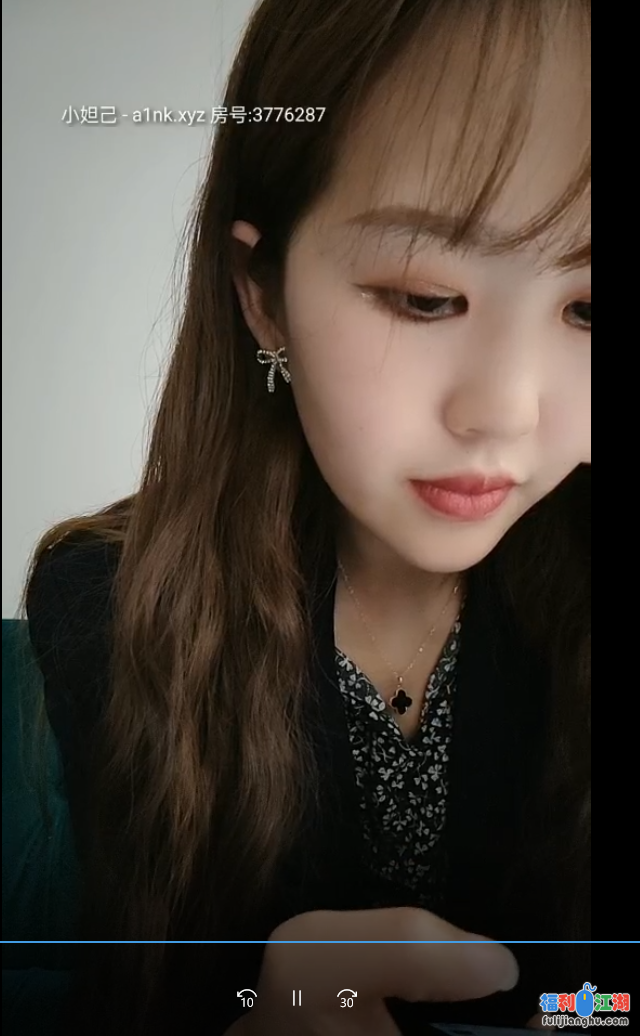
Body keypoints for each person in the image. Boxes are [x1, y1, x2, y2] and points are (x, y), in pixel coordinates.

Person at [21, 0, 591, 1033]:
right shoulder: (112, 604)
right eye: (424, 298)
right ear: (263, 293)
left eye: (589, 309)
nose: (506, 411)